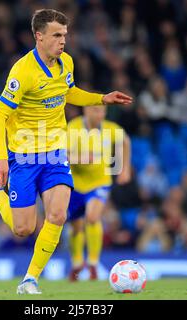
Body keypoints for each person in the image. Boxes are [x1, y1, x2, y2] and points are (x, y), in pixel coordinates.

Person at [0, 9, 132, 294]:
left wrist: (101, 98)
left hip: (54, 154)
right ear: (39, 37)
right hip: (24, 157)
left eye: (65, 35)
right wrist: (1, 157)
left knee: (58, 215)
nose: (63, 41)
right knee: (23, 229)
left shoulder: (67, 63)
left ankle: (30, 279)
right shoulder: (23, 71)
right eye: (56, 35)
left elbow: (69, 92)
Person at [66, 105, 131, 281]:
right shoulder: (74, 127)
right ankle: (77, 262)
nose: (100, 114)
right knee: (77, 227)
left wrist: (125, 168)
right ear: (86, 111)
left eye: (102, 111)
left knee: (93, 217)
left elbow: (125, 141)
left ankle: (93, 263)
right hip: (76, 184)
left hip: (100, 181)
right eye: (96, 110)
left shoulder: (111, 128)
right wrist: (81, 159)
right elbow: (63, 155)